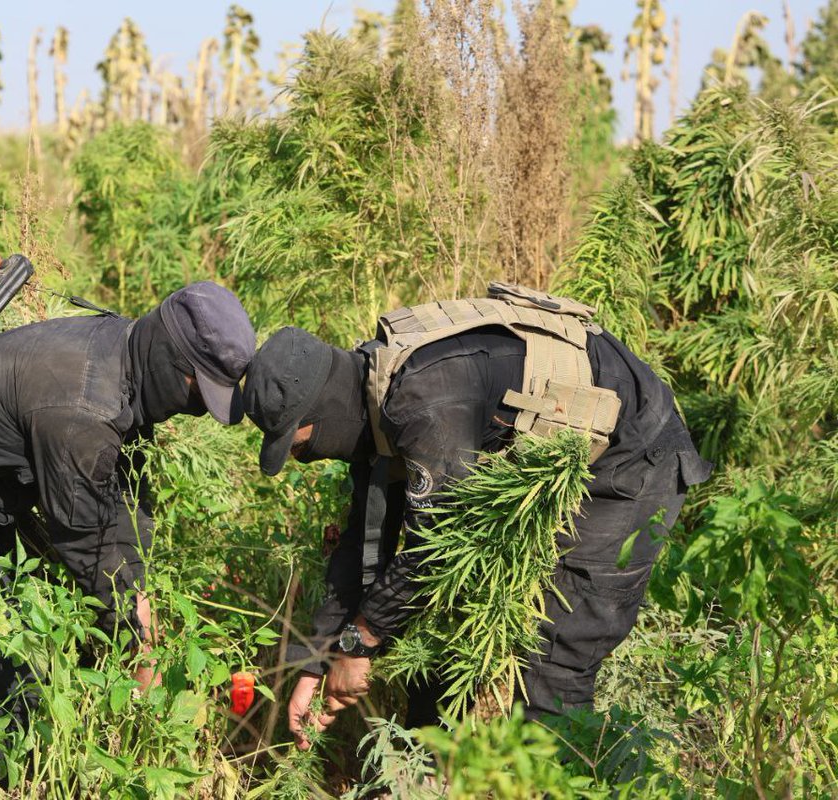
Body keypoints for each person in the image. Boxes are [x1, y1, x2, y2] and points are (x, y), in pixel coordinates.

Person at [240, 284, 711, 748]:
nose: (302, 457)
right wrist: (318, 658)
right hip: (562, 456)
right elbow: (363, 544)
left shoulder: (422, 402)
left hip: (632, 460)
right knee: (440, 616)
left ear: (321, 413)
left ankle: (560, 777)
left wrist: (358, 643)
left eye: (298, 445)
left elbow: (435, 552)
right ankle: (423, 769)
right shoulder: (370, 389)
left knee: (556, 656)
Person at [0, 281, 255, 719]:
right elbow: (84, 535)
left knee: (61, 634)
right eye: (197, 392)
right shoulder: (84, 409)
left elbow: (121, 498)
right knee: (4, 675)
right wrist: (139, 643)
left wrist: (140, 597)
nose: (197, 407)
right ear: (168, 359)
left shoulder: (123, 352)